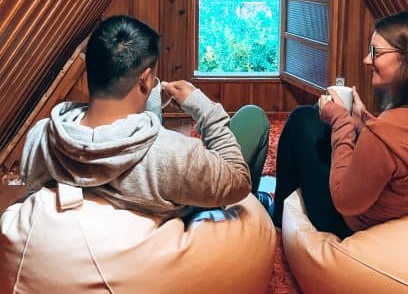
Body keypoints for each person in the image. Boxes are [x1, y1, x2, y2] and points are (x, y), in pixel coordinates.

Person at [20, 15, 270, 221]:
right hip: (181, 222)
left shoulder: (40, 138)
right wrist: (204, 110)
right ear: (145, 79)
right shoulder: (176, 156)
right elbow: (238, 180)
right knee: (254, 119)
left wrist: (149, 102)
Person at [273, 11, 408, 237]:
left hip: (352, 221)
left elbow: (344, 201)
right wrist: (364, 122)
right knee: (315, 122)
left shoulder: (384, 136)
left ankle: (278, 216)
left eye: (375, 52)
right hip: (401, 199)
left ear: (407, 59)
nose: (366, 60)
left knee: (302, 120)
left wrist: (341, 122)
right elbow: (407, 141)